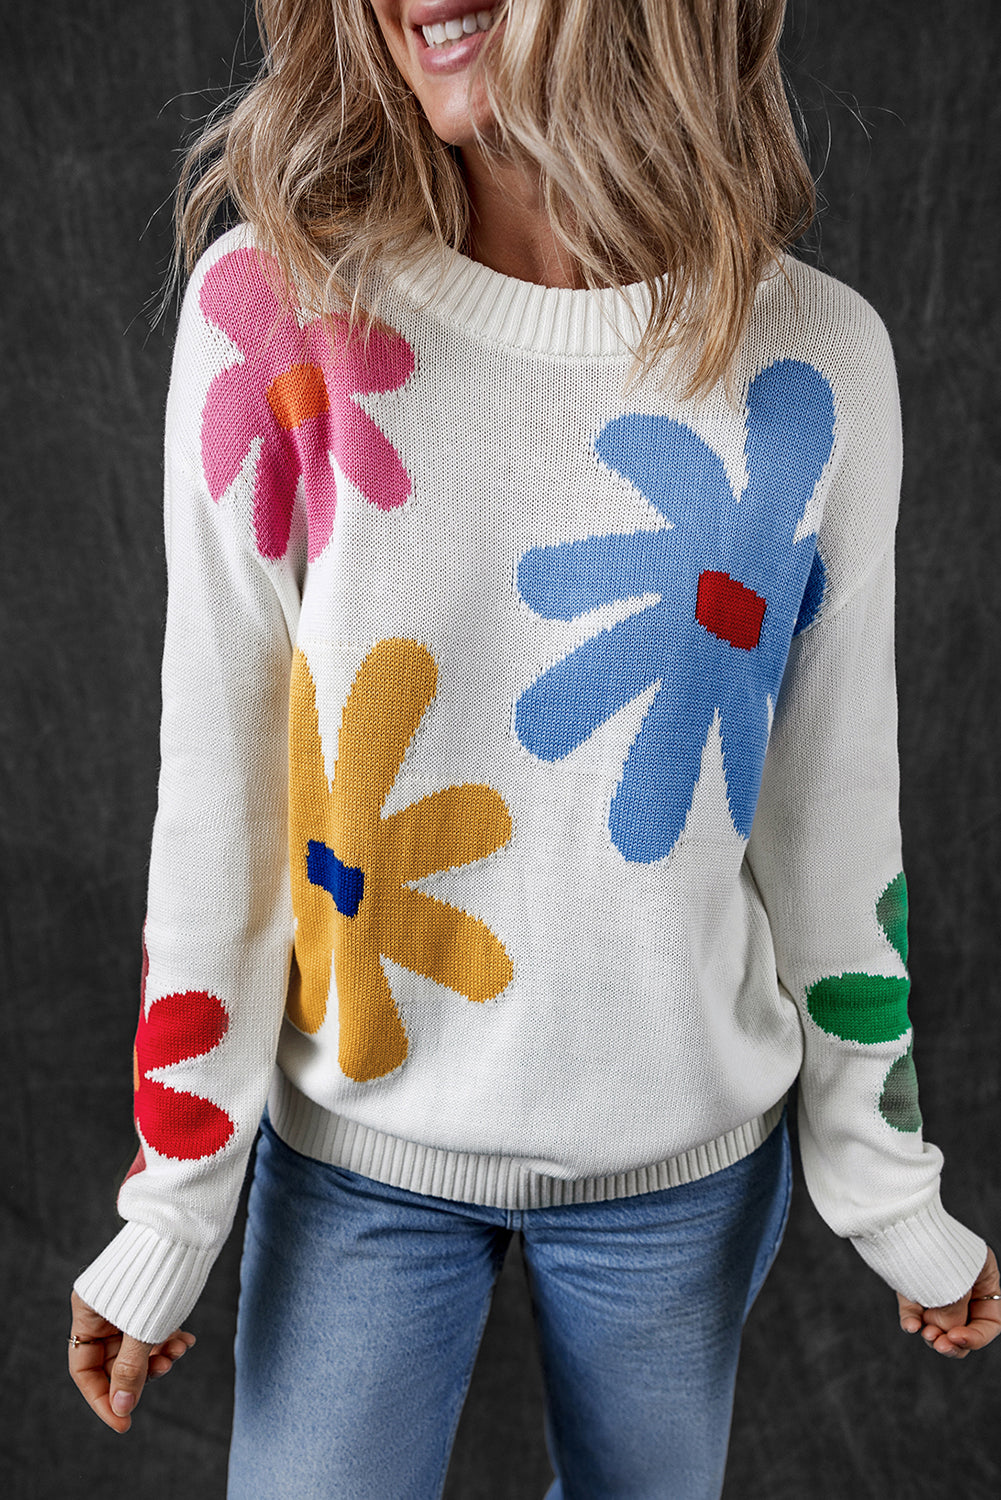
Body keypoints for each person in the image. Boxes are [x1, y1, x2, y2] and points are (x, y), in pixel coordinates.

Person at [69, 2, 1000, 1495]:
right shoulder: (277, 315)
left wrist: (885, 1180)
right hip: (356, 1159)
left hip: (681, 1176)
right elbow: (222, 803)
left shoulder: (815, 362)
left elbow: (832, 815)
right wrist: (172, 1205)